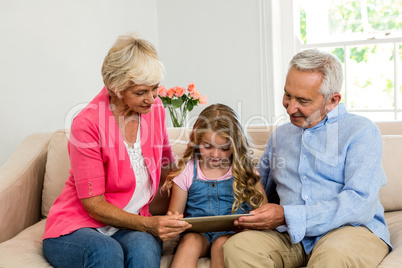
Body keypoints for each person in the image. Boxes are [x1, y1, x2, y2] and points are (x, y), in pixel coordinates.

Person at [223, 49, 392, 267]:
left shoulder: (361, 132)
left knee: (333, 257)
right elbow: (257, 189)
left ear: (332, 100)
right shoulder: (280, 136)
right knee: (238, 247)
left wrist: (287, 215)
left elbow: (359, 203)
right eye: (287, 95)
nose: (290, 108)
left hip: (350, 231)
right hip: (290, 237)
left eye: (302, 100)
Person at [42, 33, 191, 268]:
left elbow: (167, 169)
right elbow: (94, 204)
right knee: (106, 252)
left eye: (155, 89)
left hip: (131, 225)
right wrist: (150, 225)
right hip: (79, 226)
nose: (151, 99)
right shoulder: (87, 123)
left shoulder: (156, 109)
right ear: (116, 88)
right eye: (141, 92)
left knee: (144, 249)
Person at [162, 103, 268, 268]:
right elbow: (174, 215)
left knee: (222, 245)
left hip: (232, 235)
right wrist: (172, 221)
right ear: (197, 141)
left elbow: (264, 211)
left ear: (234, 146)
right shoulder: (187, 171)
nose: (215, 155)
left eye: (224, 148)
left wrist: (249, 228)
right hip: (198, 235)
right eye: (207, 146)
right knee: (189, 241)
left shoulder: (245, 171)